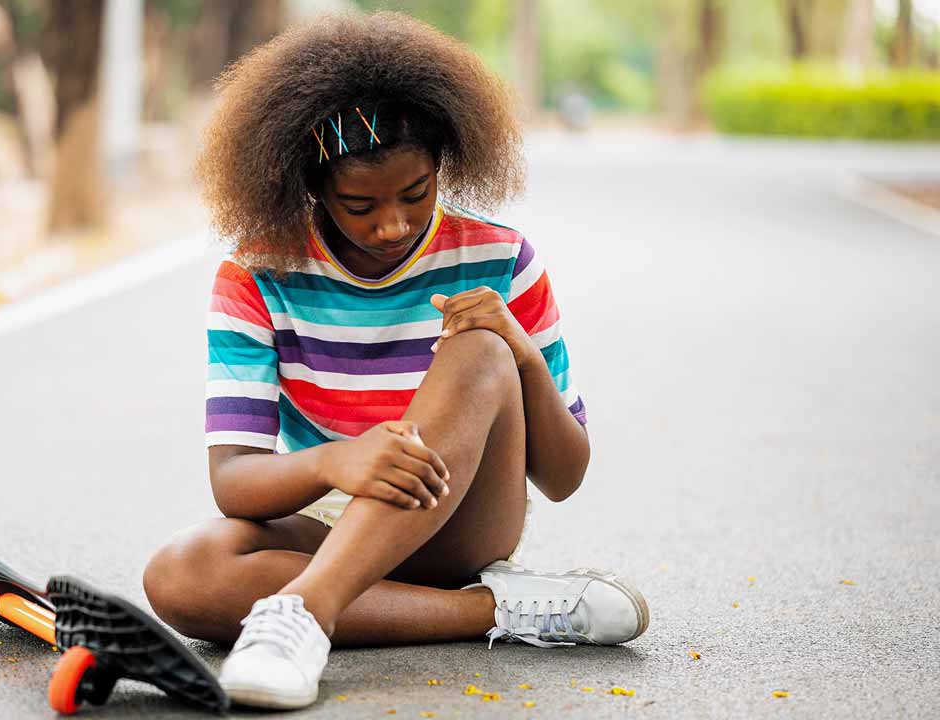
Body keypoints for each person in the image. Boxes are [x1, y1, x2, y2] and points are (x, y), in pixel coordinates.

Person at [143, 12, 648, 710]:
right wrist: (333, 462)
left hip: (457, 525)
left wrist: (520, 354)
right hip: (327, 522)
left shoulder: (499, 258)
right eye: (359, 205)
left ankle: (304, 615)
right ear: (311, 187)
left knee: (479, 349)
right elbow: (232, 480)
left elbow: (564, 476)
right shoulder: (257, 274)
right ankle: (495, 610)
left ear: (445, 164)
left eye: (417, 194)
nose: (392, 225)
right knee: (180, 573)